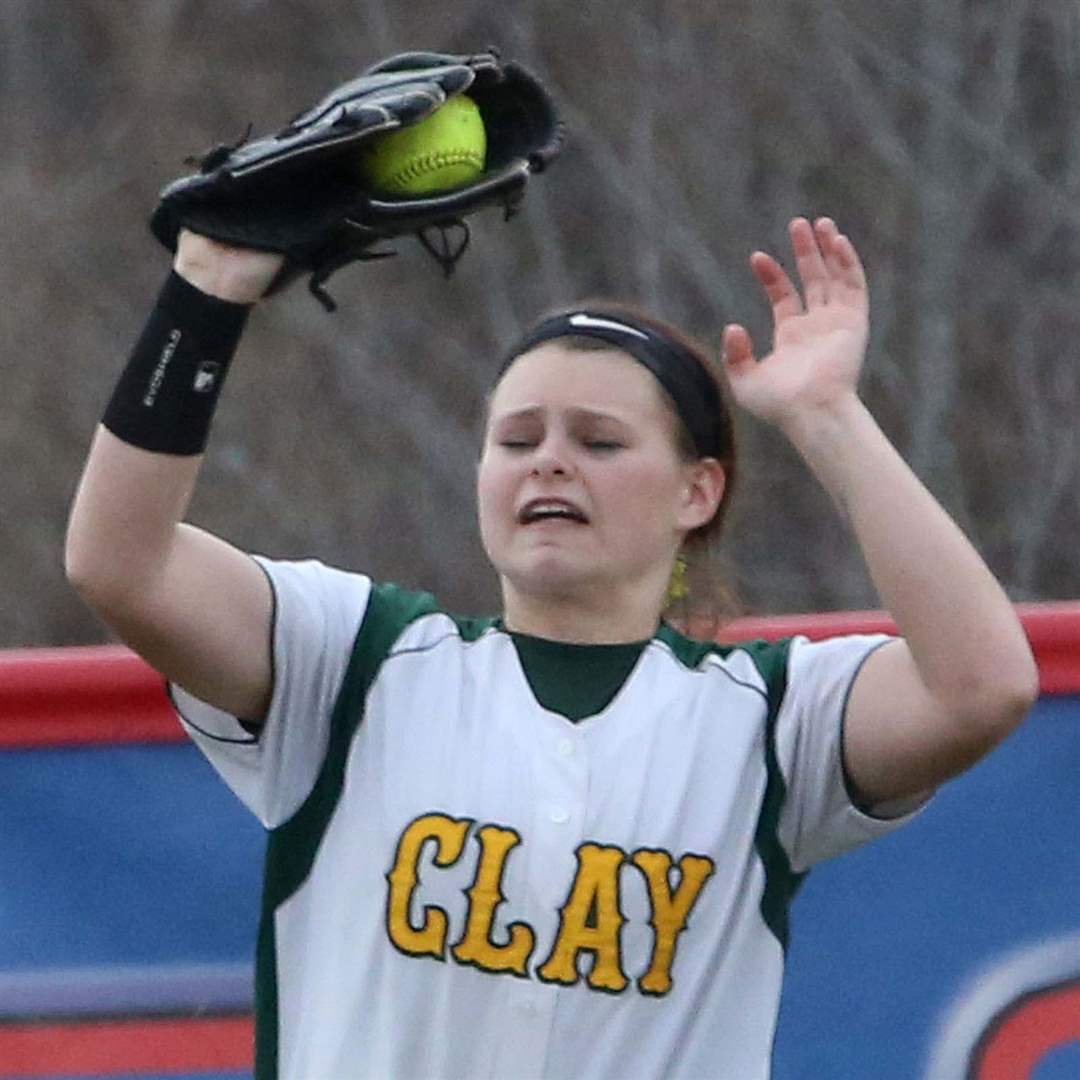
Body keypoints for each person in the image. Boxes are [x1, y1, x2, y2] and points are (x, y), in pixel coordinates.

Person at [65, 216, 1038, 1080]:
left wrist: (828, 416)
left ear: (697, 493)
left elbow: (981, 685)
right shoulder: (354, 664)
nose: (550, 461)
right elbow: (122, 561)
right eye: (517, 437)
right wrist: (205, 293)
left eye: (601, 441)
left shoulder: (771, 721)